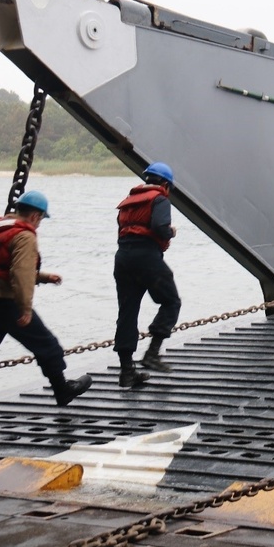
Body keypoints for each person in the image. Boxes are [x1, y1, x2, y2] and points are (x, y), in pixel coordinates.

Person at [0, 191, 92, 406]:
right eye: (40, 219)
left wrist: (43, 277)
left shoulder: (3, 227)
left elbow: (6, 266)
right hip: (8, 302)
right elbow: (21, 275)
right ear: (35, 216)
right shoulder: (24, 236)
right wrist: (25, 309)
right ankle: (63, 390)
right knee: (47, 345)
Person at [114, 162, 182, 387]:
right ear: (165, 184)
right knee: (171, 301)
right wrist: (170, 232)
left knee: (127, 312)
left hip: (123, 258)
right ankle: (152, 353)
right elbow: (160, 227)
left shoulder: (127, 202)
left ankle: (126, 372)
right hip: (147, 258)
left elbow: (122, 231)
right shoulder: (160, 199)